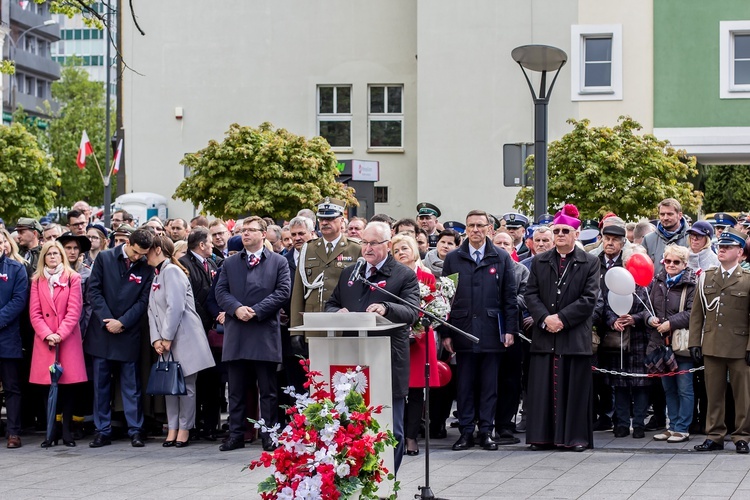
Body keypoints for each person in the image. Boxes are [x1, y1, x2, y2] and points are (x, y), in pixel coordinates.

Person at [326, 221, 419, 472]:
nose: (366, 248)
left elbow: (412, 311)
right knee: (352, 424)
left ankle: (388, 480)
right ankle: (356, 478)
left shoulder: (403, 275)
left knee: (392, 427)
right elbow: (330, 304)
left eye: (373, 243)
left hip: (387, 359)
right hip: (351, 358)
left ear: (388, 245)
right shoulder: (350, 273)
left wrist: (386, 308)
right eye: (364, 242)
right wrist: (338, 311)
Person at [441, 210, 519, 452]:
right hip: (462, 329)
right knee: (464, 385)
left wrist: (510, 329)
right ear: (466, 228)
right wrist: (446, 332)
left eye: (480, 225)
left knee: (489, 385)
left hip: (490, 330)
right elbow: (446, 297)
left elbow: (509, 296)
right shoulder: (454, 258)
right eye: (471, 225)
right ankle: (465, 432)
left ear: (489, 229)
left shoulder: (501, 257)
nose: (475, 230)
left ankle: (486, 430)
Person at [525, 204, 600, 452]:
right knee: (542, 388)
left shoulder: (589, 262)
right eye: (556, 231)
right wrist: (546, 318)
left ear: (576, 235)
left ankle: (575, 437)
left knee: (574, 390)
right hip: (545, 334)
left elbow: (589, 299)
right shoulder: (539, 261)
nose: (559, 235)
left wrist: (562, 319)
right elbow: (531, 294)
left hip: (574, 335)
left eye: (564, 231)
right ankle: (542, 436)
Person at [215, 217, 291, 452]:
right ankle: (236, 434)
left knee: (268, 390)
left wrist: (256, 311)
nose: (245, 234)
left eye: (251, 230)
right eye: (243, 230)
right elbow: (220, 290)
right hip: (237, 332)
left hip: (263, 332)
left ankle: (269, 434)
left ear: (263, 233)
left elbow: (283, 292)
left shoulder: (278, 262)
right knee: (236, 389)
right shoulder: (230, 263)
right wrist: (236, 308)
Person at [84, 228, 155, 448]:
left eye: (142, 254)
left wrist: (122, 322)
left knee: (131, 385)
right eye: (135, 252)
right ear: (127, 242)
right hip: (103, 331)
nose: (137, 257)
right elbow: (94, 291)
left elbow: (144, 301)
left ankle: (135, 430)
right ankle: (102, 430)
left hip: (128, 330)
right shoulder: (105, 258)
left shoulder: (146, 267)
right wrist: (108, 319)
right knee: (101, 385)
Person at [147, 235, 215, 448]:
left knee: (186, 385)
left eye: (147, 250)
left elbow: (174, 307)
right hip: (166, 338)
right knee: (170, 385)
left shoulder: (173, 271)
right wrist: (156, 338)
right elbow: (152, 310)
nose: (143, 255)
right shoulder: (157, 275)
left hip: (184, 336)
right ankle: (173, 426)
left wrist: (166, 337)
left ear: (158, 249)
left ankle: (185, 428)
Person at [690, 228, 750, 454]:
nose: (722, 249)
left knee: (742, 396)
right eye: (721, 246)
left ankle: (742, 436)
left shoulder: (746, 280)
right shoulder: (707, 276)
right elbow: (697, 314)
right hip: (713, 344)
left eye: (728, 247)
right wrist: (695, 342)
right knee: (713, 394)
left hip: (739, 347)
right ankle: (714, 435)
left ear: (740, 253)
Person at [28, 241, 87, 447]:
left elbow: (74, 311)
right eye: (49, 254)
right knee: (47, 386)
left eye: (56, 253)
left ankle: (67, 431)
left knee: (68, 386)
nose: (53, 257)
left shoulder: (73, 278)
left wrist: (60, 334)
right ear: (43, 257)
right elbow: (34, 313)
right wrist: (47, 334)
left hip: (67, 339)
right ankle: (51, 431)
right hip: (45, 341)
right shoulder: (37, 280)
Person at [391, 233, 440, 457]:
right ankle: (396, 435)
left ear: (414, 251)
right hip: (396, 336)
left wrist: (418, 329)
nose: (401, 253)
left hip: (420, 339)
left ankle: (411, 436)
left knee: (416, 390)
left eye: (404, 248)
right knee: (397, 389)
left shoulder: (427, 276)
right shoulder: (390, 276)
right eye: (396, 250)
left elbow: (434, 308)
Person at [289, 198, 360, 344]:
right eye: (321, 218)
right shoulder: (308, 248)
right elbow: (298, 292)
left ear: (342, 221)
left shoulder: (356, 249)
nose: (325, 222)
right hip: (314, 325)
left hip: (345, 324)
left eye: (330, 218)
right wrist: (296, 329)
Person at [603, 246, 653, 439]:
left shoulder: (647, 286)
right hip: (619, 341)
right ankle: (622, 424)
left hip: (641, 340)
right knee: (621, 384)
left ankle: (639, 424)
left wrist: (635, 318)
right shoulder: (616, 284)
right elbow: (606, 307)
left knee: (641, 386)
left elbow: (652, 310)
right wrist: (612, 321)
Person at [647, 244, 696, 443]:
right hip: (661, 343)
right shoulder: (657, 281)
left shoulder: (691, 283)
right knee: (668, 388)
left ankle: (683, 428)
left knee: (684, 387)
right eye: (668, 261)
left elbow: (694, 312)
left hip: (681, 344)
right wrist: (650, 320)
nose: (671, 265)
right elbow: (647, 306)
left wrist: (670, 323)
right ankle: (672, 425)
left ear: (684, 264)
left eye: (676, 262)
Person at [178, 227, 222, 439]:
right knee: (196, 380)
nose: (213, 245)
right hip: (194, 329)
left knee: (212, 379)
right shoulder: (184, 264)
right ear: (201, 245)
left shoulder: (212, 263)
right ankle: (194, 424)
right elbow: (189, 297)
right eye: (210, 242)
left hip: (211, 331)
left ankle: (212, 425)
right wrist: (207, 315)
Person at [492, 231, 528, 444]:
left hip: (512, 330)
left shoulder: (521, 271)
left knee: (510, 380)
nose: (503, 246)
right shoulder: (484, 269)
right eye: (499, 243)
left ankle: (505, 424)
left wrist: (506, 303)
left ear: (513, 249)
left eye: (507, 243)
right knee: (487, 380)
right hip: (486, 332)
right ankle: (485, 422)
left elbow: (526, 297)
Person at [0, 230, 29, 448]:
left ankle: (13, 432)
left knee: (12, 387)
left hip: (7, 337)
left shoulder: (16, 268)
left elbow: (19, 300)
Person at [642, 198, 688, 275]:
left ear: (680, 215)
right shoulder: (648, 239)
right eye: (662, 214)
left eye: (670, 214)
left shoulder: (691, 239)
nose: (665, 218)